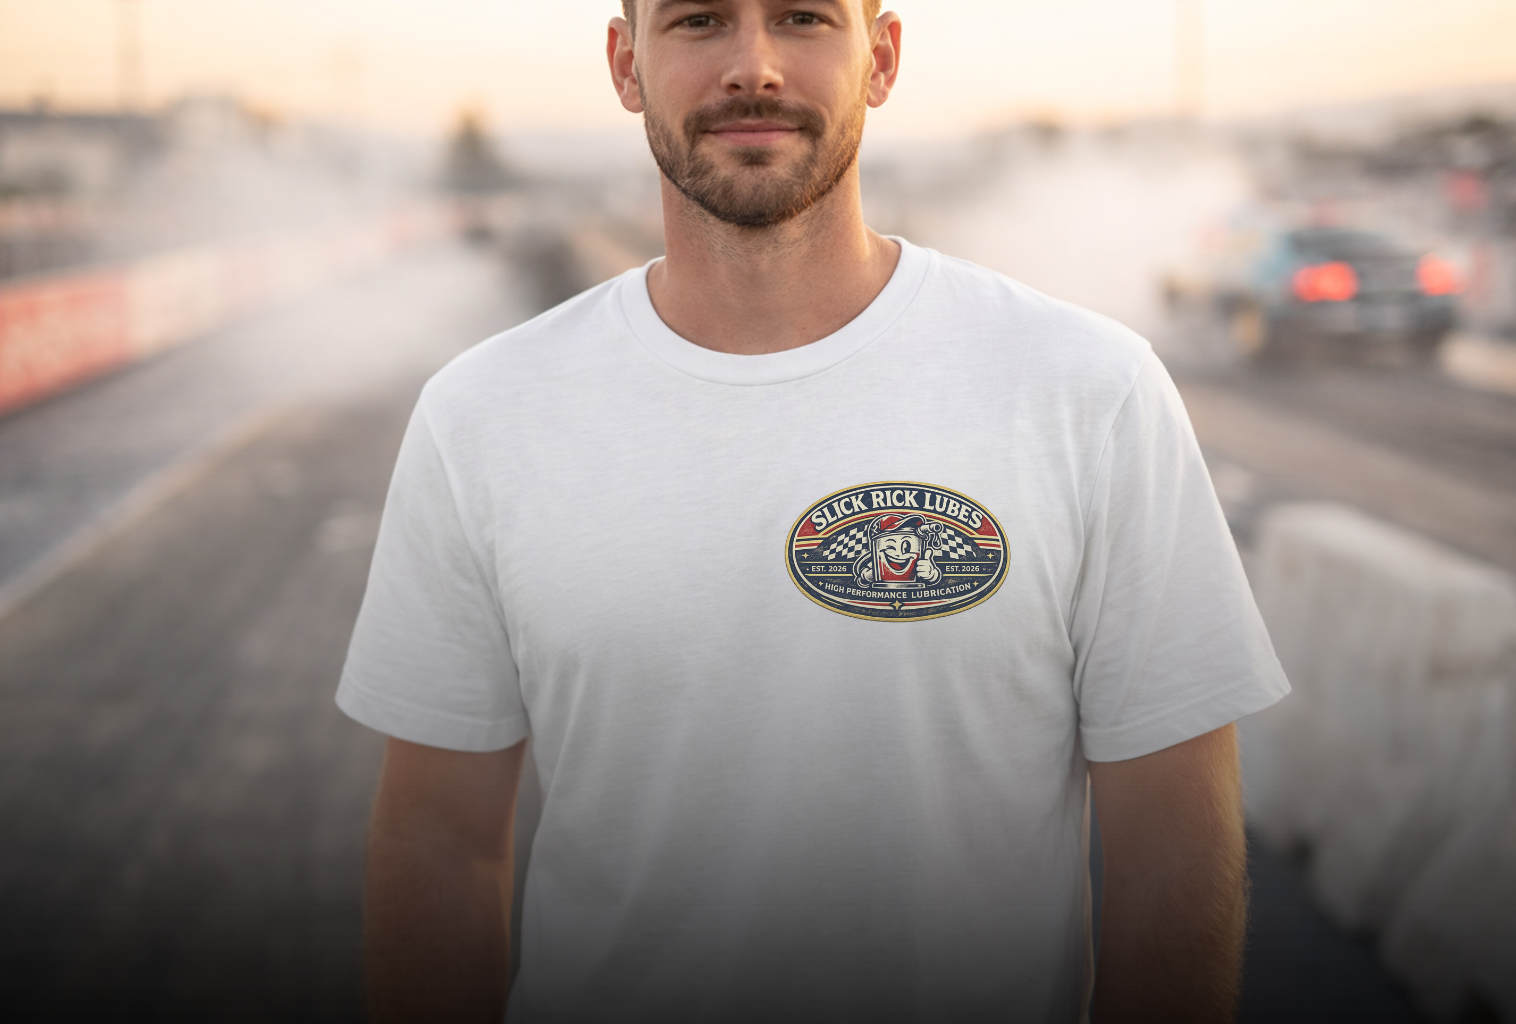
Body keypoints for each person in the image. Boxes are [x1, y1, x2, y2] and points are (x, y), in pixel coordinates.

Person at [336, 1, 1289, 1021]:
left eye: (801, 18)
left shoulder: (1089, 392)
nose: (754, 67)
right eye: (699, 20)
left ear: (879, 57)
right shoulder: (484, 414)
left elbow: (1175, 850)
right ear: (626, 66)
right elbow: (439, 843)